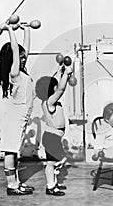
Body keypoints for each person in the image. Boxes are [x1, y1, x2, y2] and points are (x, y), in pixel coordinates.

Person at [0, 23, 36, 195]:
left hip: (20, 118)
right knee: (10, 151)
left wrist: (26, 29)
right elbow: (15, 49)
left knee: (15, 152)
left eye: (23, 57)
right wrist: (10, 30)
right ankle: (11, 185)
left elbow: (23, 50)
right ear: (12, 59)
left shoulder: (21, 71)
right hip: (13, 119)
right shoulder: (14, 74)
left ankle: (17, 183)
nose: (22, 59)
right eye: (19, 57)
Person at [35, 63, 72, 196]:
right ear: (51, 89)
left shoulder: (48, 101)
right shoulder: (50, 102)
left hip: (53, 137)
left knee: (56, 161)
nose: (57, 87)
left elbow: (56, 85)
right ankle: (50, 186)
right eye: (55, 85)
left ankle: (54, 184)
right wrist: (66, 74)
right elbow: (61, 89)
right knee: (52, 163)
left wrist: (59, 72)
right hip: (51, 138)